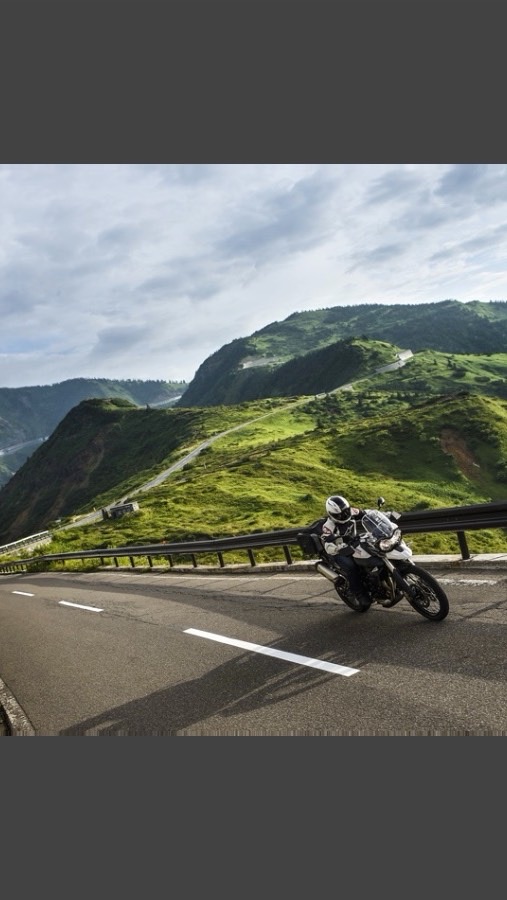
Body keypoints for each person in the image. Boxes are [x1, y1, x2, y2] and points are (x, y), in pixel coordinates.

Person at [318, 494, 371, 609]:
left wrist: (389, 514)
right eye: (339, 515)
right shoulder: (328, 526)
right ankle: (359, 593)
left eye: (346, 512)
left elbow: (368, 514)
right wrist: (339, 548)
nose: (344, 515)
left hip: (354, 543)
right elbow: (328, 545)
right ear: (331, 514)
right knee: (352, 567)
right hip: (338, 551)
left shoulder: (351, 511)